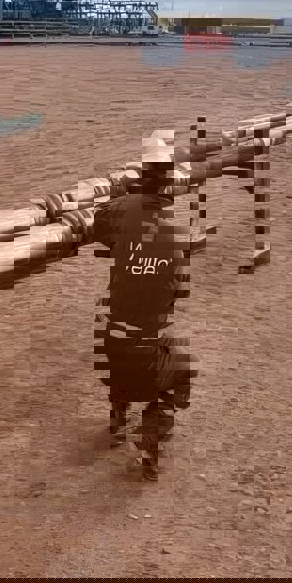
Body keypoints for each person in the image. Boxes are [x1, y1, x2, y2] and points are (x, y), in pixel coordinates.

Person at [86, 183, 194, 481]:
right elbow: (178, 294)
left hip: (109, 351)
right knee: (182, 369)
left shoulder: (123, 242)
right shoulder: (174, 247)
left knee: (118, 344)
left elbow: (101, 225)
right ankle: (150, 437)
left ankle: (117, 421)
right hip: (144, 353)